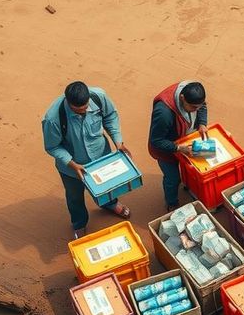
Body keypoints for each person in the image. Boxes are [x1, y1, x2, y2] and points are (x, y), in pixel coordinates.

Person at [42, 81, 131, 239]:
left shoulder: (99, 97)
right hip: (72, 168)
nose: (84, 112)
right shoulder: (53, 119)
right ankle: (79, 223)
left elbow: (110, 116)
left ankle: (110, 204)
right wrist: (72, 164)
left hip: (101, 157)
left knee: (106, 186)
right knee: (74, 196)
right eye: (78, 110)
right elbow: (52, 147)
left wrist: (118, 141)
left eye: (86, 108)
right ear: (68, 103)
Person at [148, 81, 208, 211]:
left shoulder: (193, 94)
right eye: (193, 107)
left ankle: (189, 185)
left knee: (200, 163)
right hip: (167, 149)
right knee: (173, 179)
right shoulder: (164, 113)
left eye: (198, 106)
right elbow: (156, 140)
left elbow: (202, 106)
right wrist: (179, 148)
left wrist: (202, 123)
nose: (196, 110)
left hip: (186, 139)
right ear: (182, 98)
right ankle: (172, 203)